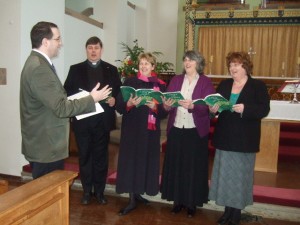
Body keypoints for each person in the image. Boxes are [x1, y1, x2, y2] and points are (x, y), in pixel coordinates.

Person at [20, 21, 111, 180]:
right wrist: (92, 99)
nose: (60, 43)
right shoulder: (39, 68)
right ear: (45, 42)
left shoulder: (37, 63)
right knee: (48, 196)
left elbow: (53, 100)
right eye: (57, 39)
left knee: (49, 195)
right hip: (46, 147)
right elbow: (61, 108)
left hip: (44, 144)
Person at [208, 51, 270, 225]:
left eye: (236, 65)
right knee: (225, 177)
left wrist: (245, 108)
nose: (232, 68)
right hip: (225, 137)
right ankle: (227, 212)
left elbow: (264, 109)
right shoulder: (225, 84)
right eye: (230, 65)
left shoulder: (257, 86)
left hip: (244, 140)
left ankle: (235, 214)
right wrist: (213, 109)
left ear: (246, 67)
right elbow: (217, 107)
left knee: (239, 178)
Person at [64, 36, 121, 205]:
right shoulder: (75, 69)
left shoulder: (111, 69)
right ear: (86, 50)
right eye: (90, 48)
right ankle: (87, 191)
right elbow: (67, 92)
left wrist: (114, 100)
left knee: (101, 157)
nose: (93, 51)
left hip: (102, 121)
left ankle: (100, 191)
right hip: (83, 120)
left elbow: (118, 92)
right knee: (85, 156)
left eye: (96, 48)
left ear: (101, 49)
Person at [160, 50, 215, 218]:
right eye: (185, 59)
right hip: (177, 128)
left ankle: (191, 203)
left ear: (198, 63)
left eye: (191, 60)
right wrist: (167, 105)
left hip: (195, 131)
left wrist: (193, 107)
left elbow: (208, 108)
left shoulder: (205, 82)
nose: (187, 62)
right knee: (176, 165)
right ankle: (178, 201)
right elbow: (167, 104)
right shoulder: (176, 79)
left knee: (193, 168)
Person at [115, 52, 168, 216]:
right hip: (132, 129)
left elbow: (164, 113)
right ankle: (131, 198)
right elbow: (119, 105)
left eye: (147, 64)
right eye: (141, 63)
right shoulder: (130, 82)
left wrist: (156, 107)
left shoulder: (160, 85)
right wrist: (129, 103)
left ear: (153, 67)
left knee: (145, 160)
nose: (144, 66)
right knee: (131, 161)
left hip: (150, 132)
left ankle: (139, 193)